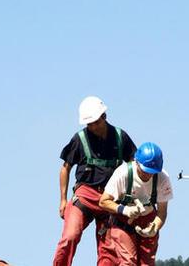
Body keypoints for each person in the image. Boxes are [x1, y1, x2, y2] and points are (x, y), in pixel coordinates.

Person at [52, 96, 138, 266]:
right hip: (85, 195)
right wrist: (62, 200)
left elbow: (134, 167)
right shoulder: (80, 139)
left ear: (104, 117)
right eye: (88, 124)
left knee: (109, 254)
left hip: (110, 198)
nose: (91, 127)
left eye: (95, 123)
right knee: (70, 237)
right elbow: (65, 168)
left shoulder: (121, 137)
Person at [98, 142, 173, 266]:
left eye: (152, 171)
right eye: (145, 170)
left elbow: (162, 212)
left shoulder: (163, 178)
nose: (148, 174)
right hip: (122, 223)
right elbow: (103, 201)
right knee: (128, 262)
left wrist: (154, 227)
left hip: (148, 220)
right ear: (136, 162)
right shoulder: (123, 173)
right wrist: (125, 210)